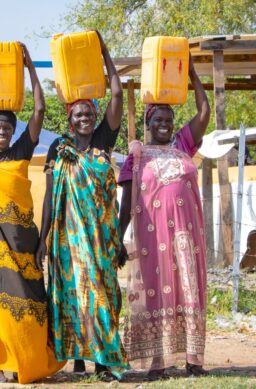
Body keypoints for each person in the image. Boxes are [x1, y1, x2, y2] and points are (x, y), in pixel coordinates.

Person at [36, 31, 128, 379]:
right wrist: (44, 238)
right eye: (79, 114)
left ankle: (104, 361)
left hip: (102, 240)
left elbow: (117, 94)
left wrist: (105, 54)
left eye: (90, 112)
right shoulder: (59, 150)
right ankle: (81, 357)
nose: (86, 118)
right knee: (74, 296)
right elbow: (49, 196)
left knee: (104, 296)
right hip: (68, 242)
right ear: (70, 120)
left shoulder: (103, 143)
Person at [118, 54, 210, 380]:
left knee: (189, 290)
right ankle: (157, 364)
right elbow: (127, 201)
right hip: (152, 238)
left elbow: (204, 112)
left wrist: (192, 72)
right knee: (155, 293)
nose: (164, 124)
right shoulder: (136, 155)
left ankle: (194, 361)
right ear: (148, 123)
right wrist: (118, 238)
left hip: (187, 238)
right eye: (157, 119)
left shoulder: (183, 144)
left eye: (168, 119)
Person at [0, 44, 64, 384]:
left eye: (6, 130)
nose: (1, 133)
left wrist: (28, 67)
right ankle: (4, 362)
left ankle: (25, 360)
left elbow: (38, 110)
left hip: (22, 243)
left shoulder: (20, 152)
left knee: (27, 302)